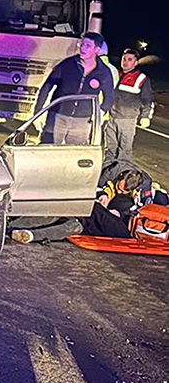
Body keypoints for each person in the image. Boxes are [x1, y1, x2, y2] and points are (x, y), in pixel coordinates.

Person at [9, 168, 145, 244]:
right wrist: (103, 195)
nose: (120, 191)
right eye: (119, 188)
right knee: (77, 224)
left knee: (79, 210)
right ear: (119, 178)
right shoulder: (109, 175)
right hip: (99, 221)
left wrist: (117, 212)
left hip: (120, 229)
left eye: (124, 191)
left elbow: (128, 214)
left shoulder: (133, 200)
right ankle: (29, 234)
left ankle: (13, 227)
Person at [33, 32, 113, 145]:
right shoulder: (67, 65)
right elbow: (47, 86)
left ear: (97, 50)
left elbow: (109, 97)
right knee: (48, 149)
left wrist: (98, 114)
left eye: (88, 45)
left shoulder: (104, 72)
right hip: (58, 116)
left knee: (75, 153)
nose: (82, 48)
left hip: (83, 121)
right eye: (82, 44)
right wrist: (38, 111)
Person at [109, 48, 154, 160]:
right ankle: (108, 171)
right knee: (110, 148)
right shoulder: (116, 74)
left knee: (124, 150)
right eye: (124, 59)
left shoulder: (141, 78)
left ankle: (122, 174)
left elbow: (147, 100)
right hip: (111, 118)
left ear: (135, 62)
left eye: (129, 59)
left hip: (127, 120)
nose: (125, 61)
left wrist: (145, 116)